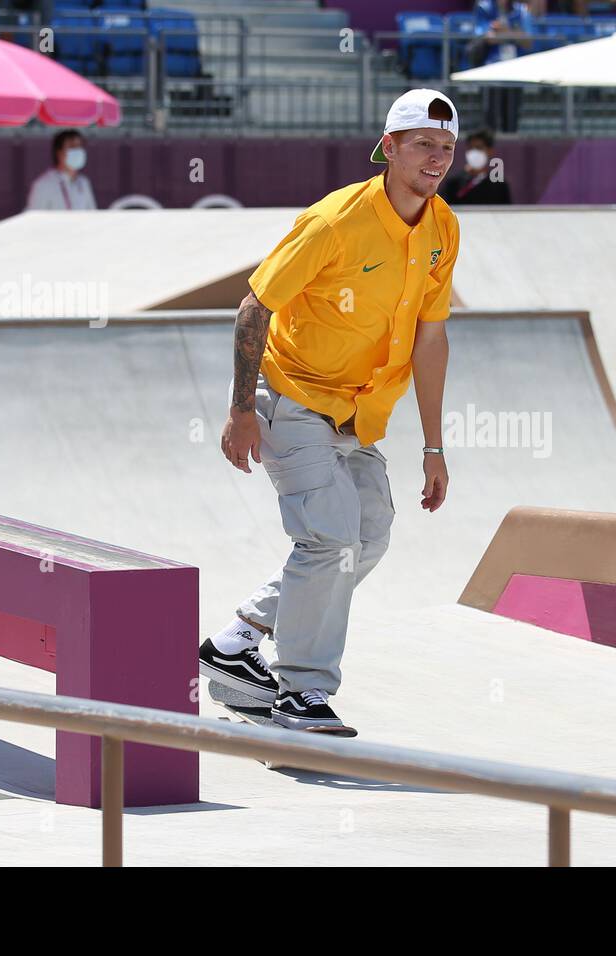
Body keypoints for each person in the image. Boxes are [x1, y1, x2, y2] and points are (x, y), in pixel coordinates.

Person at [204, 89, 459, 734]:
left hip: (358, 415)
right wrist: (240, 409)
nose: (437, 158)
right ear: (390, 147)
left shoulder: (442, 229)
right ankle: (302, 693)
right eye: (423, 144)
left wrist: (433, 446)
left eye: (447, 148)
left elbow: (431, 338)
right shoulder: (334, 221)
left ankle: (238, 639)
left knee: (367, 536)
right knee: (329, 537)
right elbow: (254, 306)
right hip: (291, 398)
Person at [471, 0, 534, 133]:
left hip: (515, 72)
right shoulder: (484, 7)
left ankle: (510, 151)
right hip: (491, 71)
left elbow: (528, 41)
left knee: (511, 118)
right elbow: (488, 37)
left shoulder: (521, 10)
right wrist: (514, 34)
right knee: (491, 117)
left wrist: (504, 31)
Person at [25, 130, 97, 211]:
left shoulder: (84, 183)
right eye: (72, 146)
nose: (77, 151)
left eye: (79, 146)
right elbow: (34, 219)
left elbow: (92, 215)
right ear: (59, 152)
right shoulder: (44, 184)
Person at [441, 129, 513, 205]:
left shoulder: (499, 185)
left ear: (490, 151)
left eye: (479, 148)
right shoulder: (453, 183)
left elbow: (506, 213)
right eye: (471, 148)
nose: (474, 152)